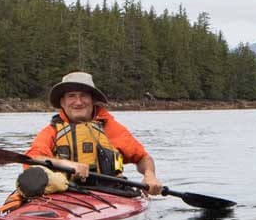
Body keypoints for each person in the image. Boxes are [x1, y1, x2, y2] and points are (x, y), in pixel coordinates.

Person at [17, 71, 162, 197]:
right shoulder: (52, 131)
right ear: (62, 102)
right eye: (71, 96)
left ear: (92, 100)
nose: (78, 102)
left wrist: (150, 175)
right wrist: (66, 164)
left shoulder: (110, 128)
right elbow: (31, 160)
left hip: (111, 193)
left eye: (83, 96)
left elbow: (143, 157)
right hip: (65, 194)